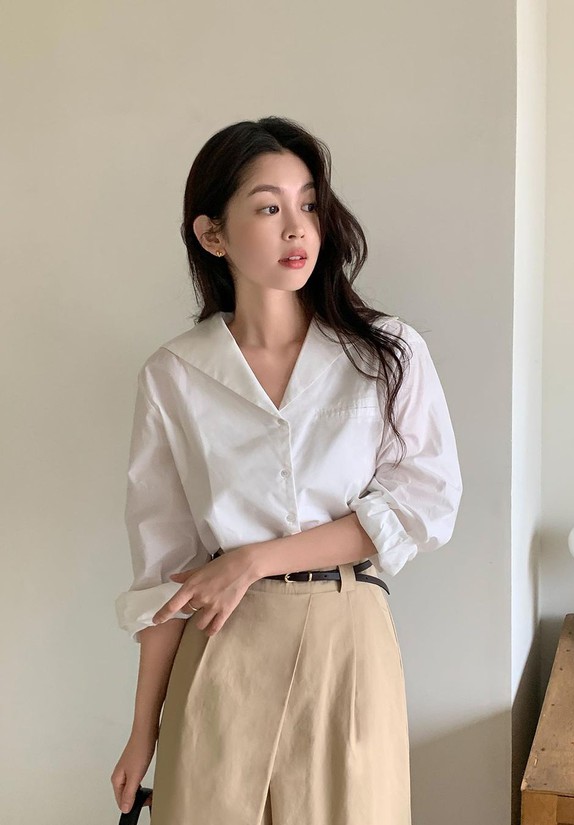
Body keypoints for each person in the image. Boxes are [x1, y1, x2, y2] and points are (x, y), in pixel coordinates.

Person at [110, 115, 463, 825]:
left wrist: (254, 560)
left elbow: (423, 504)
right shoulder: (175, 375)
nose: (298, 228)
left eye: (308, 204)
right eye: (269, 208)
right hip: (221, 651)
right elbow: (165, 573)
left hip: (346, 643)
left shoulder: (384, 354)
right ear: (213, 235)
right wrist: (143, 728)